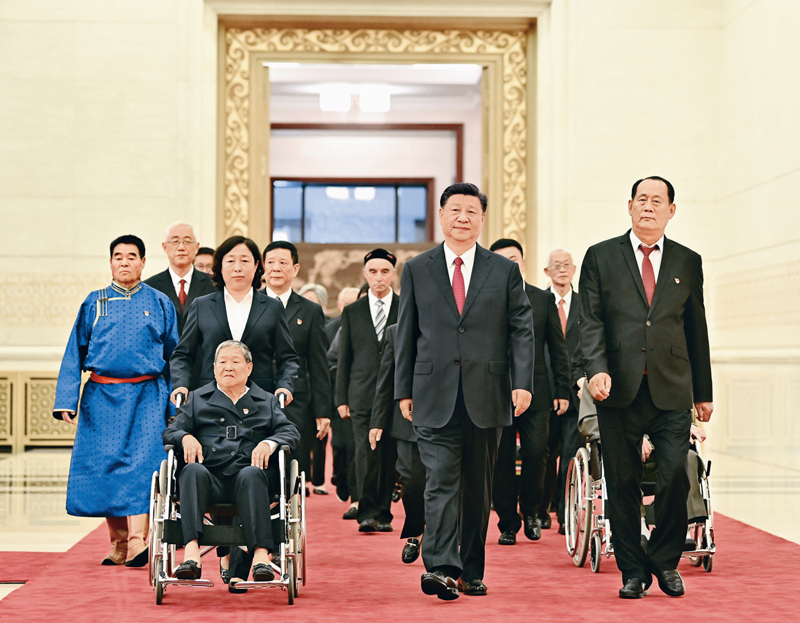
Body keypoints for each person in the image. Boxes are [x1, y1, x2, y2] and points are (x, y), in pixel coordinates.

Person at [395, 183, 534, 600]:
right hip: (432, 392)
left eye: (471, 211)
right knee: (439, 481)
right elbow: (406, 333)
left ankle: (471, 571)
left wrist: (522, 383)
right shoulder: (417, 268)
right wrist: (403, 389)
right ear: (441, 215)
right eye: (454, 209)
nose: (462, 217)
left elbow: (521, 329)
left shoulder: (503, 270)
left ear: (482, 219)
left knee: (477, 489)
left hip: (487, 393)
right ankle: (440, 567)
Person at [579, 176, 713, 599]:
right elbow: (591, 321)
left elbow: (696, 328)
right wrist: (596, 369)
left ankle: (665, 561)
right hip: (617, 390)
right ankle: (632, 572)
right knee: (622, 483)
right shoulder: (600, 256)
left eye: (658, 200)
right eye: (642, 199)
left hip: (671, 389)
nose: (649, 206)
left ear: (671, 210)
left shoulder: (687, 261)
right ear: (630, 206)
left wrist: (703, 392)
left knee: (675, 474)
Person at [169, 235, 300, 584]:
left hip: (258, 403)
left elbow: (288, 357)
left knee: (250, 471)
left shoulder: (271, 307)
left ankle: (245, 563)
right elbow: (183, 354)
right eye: (230, 260)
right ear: (220, 267)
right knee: (207, 468)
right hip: (210, 402)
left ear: (256, 267)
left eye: (245, 261)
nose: (238, 267)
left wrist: (284, 388)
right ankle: (222, 555)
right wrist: (182, 386)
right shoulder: (203, 305)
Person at [53, 234, 178, 567]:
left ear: (143, 262)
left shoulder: (160, 302)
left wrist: (174, 403)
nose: (125, 262)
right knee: (107, 468)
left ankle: (138, 542)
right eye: (118, 256)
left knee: (143, 468)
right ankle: (119, 543)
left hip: (147, 398)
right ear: (110, 262)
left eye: (131, 256)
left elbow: (175, 356)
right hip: (101, 398)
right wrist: (67, 399)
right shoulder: (94, 303)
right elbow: (74, 351)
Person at [164, 341, 300, 582]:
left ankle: (261, 557)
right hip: (209, 478)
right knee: (192, 470)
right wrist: (185, 437)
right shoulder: (197, 399)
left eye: (235, 361)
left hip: (249, 479)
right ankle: (192, 555)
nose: (228, 367)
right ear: (214, 367)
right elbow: (170, 432)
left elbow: (290, 431)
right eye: (222, 362)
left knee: (251, 473)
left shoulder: (266, 400)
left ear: (249, 368)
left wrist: (269, 443)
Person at [488, 239, 571, 546]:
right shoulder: (484, 299)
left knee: (537, 452)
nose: (508, 265)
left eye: (513, 259)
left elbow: (557, 348)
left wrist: (562, 389)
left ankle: (533, 511)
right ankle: (508, 522)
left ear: (522, 263)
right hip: (496, 391)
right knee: (501, 459)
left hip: (537, 390)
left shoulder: (542, 299)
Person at [337, 249, 400, 533]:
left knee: (389, 454)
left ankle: (384, 513)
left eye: (385, 271)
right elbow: (344, 357)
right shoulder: (353, 311)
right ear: (365, 274)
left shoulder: (406, 307)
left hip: (396, 394)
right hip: (361, 394)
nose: (379, 277)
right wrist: (341, 397)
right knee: (365, 452)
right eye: (373, 272)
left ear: (394, 275)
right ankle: (366, 512)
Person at [262, 242, 331, 493]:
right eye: (271, 262)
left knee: (292, 464)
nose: (276, 268)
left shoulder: (310, 310)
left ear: (295, 269)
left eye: (283, 263)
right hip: (255, 396)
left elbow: (318, 363)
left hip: (296, 400)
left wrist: (322, 411)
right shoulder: (249, 303)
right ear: (263, 267)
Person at [371, 323, 426, 563]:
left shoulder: (450, 324)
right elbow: (386, 378)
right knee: (411, 480)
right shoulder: (395, 332)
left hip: (446, 418)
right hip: (406, 420)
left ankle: (440, 534)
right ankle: (416, 530)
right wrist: (377, 421)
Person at [538, 248, 584, 534]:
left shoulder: (585, 304)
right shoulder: (538, 303)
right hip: (545, 392)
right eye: (556, 265)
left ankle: (566, 513)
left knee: (570, 456)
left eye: (567, 265)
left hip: (576, 395)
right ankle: (540, 510)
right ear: (547, 272)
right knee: (542, 454)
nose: (562, 270)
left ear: (574, 269)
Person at [144, 222, 216, 335]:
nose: (181, 247)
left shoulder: (214, 284)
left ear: (197, 247)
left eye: (187, 241)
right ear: (164, 247)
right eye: (175, 241)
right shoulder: (150, 287)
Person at [326, 287, 360, 515]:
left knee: (356, 448)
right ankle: (340, 477)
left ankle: (358, 497)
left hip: (363, 397)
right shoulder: (331, 329)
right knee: (339, 445)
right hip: (337, 396)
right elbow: (328, 362)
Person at [298, 282, 331, 493]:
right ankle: (304, 479)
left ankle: (315, 479)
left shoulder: (322, 322)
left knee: (315, 439)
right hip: (298, 388)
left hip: (314, 389)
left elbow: (321, 362)